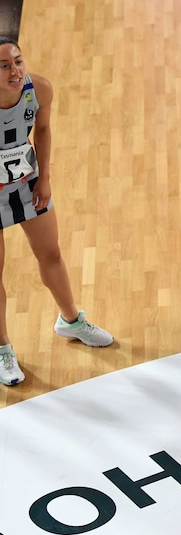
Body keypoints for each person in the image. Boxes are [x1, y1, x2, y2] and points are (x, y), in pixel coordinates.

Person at [0, 37, 113, 387]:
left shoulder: (40, 89)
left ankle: (71, 320)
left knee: (51, 253)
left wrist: (44, 177)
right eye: (4, 66)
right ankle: (3, 349)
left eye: (18, 61)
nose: (15, 70)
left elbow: (44, 130)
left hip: (27, 184)